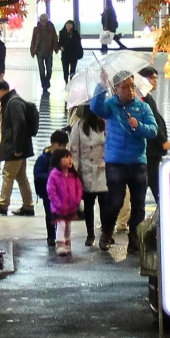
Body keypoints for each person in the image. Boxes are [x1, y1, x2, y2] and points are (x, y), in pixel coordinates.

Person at [90, 70, 160, 253]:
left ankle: (134, 239)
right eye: (125, 87)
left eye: (132, 86)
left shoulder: (143, 107)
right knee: (115, 201)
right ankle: (106, 233)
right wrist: (101, 86)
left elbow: (153, 130)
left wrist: (139, 126)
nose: (129, 90)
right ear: (116, 89)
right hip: (116, 162)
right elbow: (95, 108)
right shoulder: (110, 106)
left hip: (138, 161)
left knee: (139, 204)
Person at [69, 99, 109, 248]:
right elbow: (74, 151)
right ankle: (90, 234)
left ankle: (106, 233)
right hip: (87, 172)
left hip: (103, 170)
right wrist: (76, 172)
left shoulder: (106, 126)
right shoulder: (78, 128)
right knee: (89, 205)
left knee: (105, 205)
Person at [36, 128, 82, 254]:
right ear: (52, 143)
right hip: (50, 197)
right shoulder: (45, 159)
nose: (61, 147)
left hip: (68, 202)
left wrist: (77, 200)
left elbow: (77, 186)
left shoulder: (71, 172)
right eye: (59, 144)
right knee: (53, 219)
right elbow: (39, 175)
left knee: (67, 225)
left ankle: (65, 242)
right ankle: (54, 238)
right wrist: (50, 178)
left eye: (64, 145)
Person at [0, 80, 38, 215]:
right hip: (19, 146)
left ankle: (3, 204)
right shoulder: (12, 101)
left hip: (16, 148)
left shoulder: (13, 102)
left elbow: (19, 125)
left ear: (1, 90)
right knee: (21, 176)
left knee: (7, 174)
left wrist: (17, 148)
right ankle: (28, 205)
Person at [137, 64, 170, 205]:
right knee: (153, 181)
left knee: (153, 181)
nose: (155, 81)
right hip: (150, 148)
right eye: (153, 78)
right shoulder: (144, 99)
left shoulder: (147, 97)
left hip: (151, 149)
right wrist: (162, 140)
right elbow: (153, 122)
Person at [30, 11, 58, 105]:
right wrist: (32, 51)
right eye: (42, 20)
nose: (43, 22)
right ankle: (44, 86)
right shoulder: (36, 29)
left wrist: (56, 47)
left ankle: (46, 82)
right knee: (41, 70)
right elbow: (33, 40)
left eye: (45, 20)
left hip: (49, 51)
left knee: (49, 70)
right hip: (39, 52)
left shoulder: (51, 27)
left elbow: (55, 38)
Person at [57, 9, 83, 83]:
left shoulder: (75, 33)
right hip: (65, 54)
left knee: (72, 70)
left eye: (70, 24)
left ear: (72, 25)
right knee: (65, 69)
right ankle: (66, 81)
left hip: (73, 54)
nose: (68, 25)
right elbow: (59, 43)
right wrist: (60, 47)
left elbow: (78, 43)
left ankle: (71, 82)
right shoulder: (62, 33)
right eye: (67, 24)